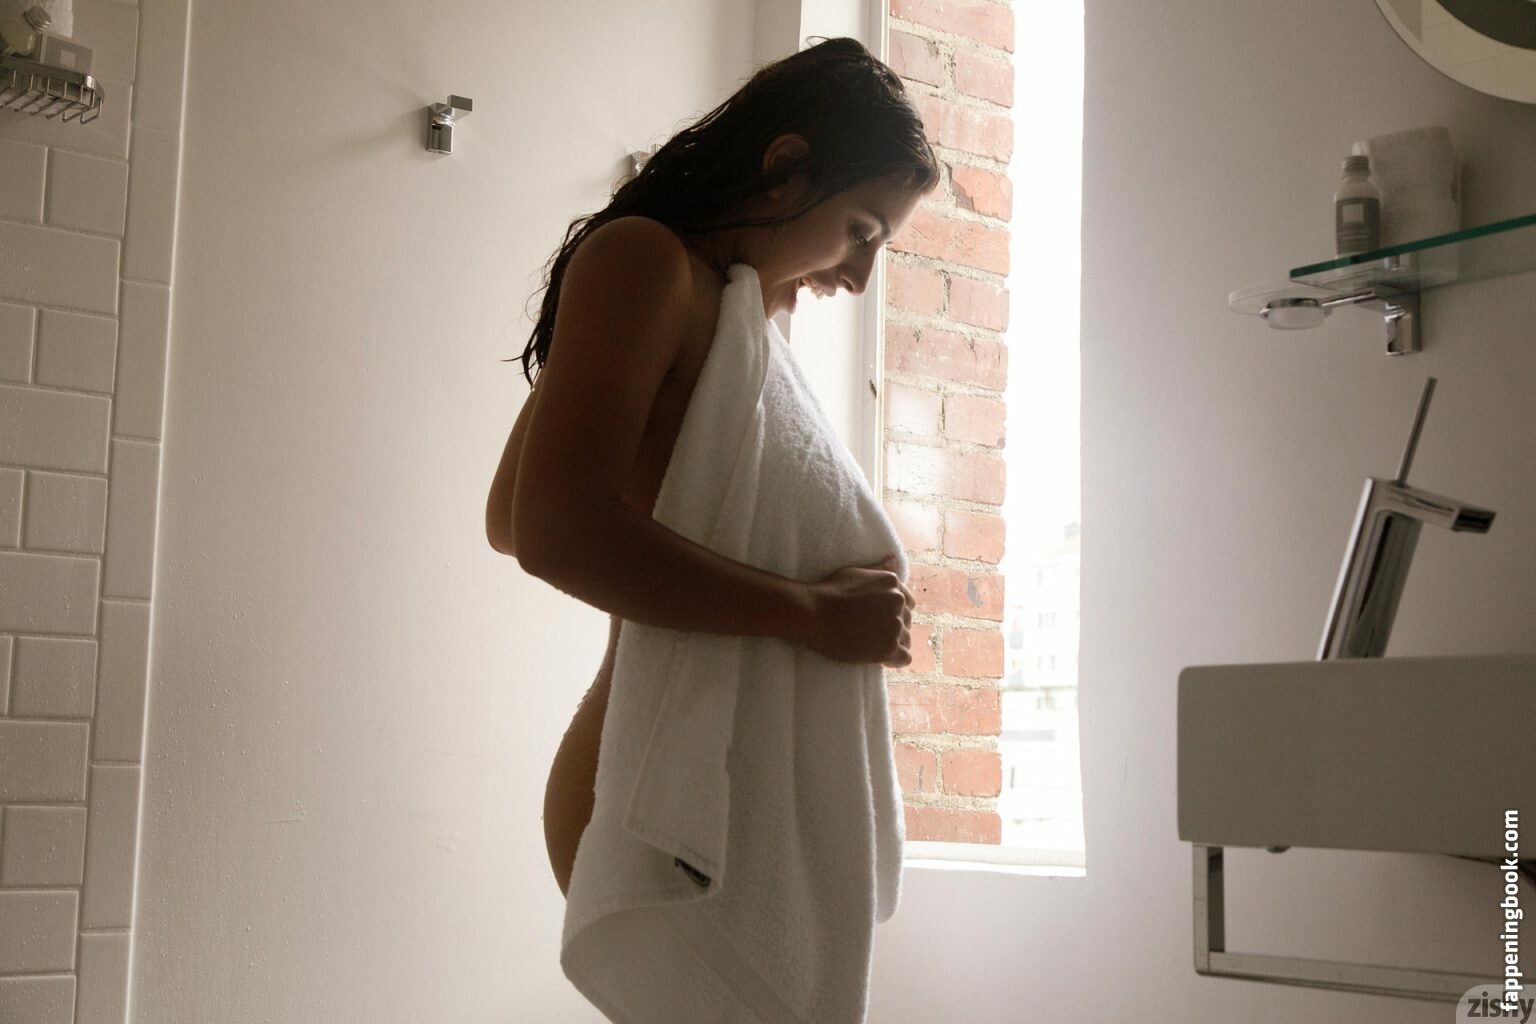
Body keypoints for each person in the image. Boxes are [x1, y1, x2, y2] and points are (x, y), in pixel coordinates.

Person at [482, 36, 939, 898]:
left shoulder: (731, 315)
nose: (858, 277)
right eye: (859, 232)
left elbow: (516, 517)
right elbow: (539, 528)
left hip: (704, 775)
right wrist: (810, 613)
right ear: (786, 168)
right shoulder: (646, 262)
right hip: (656, 779)